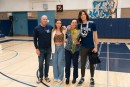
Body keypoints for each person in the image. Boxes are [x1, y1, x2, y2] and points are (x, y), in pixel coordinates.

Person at [77, 10, 98, 86]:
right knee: (83, 64)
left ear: (86, 15)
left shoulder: (92, 24)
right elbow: (79, 36)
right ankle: (82, 77)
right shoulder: (80, 25)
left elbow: (95, 36)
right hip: (83, 47)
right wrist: (77, 41)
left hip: (92, 47)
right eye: (81, 15)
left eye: (83, 14)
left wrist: (96, 47)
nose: (82, 16)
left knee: (92, 64)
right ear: (80, 16)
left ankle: (92, 78)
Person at [33, 15, 53, 83]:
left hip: (48, 49)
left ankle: (46, 76)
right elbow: (35, 39)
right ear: (41, 20)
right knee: (41, 64)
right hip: (40, 50)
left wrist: (64, 27)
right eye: (44, 19)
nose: (45, 20)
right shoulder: (37, 28)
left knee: (47, 64)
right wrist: (36, 48)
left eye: (46, 19)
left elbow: (57, 30)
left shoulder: (50, 27)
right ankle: (40, 77)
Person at [65, 19, 80, 84]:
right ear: (71, 23)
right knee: (67, 64)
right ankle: (67, 77)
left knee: (75, 64)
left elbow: (82, 40)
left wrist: (79, 42)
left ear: (76, 24)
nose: (74, 23)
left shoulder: (79, 31)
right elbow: (64, 35)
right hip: (67, 50)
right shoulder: (68, 29)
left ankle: (74, 77)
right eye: (72, 22)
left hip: (75, 50)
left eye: (75, 22)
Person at [51, 19, 66, 83]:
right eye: (57, 23)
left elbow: (69, 28)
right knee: (54, 63)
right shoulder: (53, 31)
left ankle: (60, 77)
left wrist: (66, 27)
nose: (59, 24)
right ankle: (55, 77)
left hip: (61, 48)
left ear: (61, 24)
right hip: (54, 47)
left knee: (60, 62)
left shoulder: (64, 30)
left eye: (60, 23)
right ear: (55, 24)